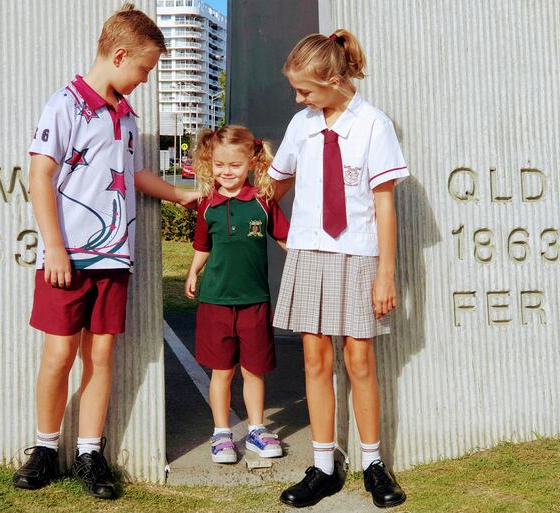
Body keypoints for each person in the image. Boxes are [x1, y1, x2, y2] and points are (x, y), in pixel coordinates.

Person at [12, 4, 197, 500]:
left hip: (114, 259)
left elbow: (133, 174)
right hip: (66, 258)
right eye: (144, 69)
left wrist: (180, 193)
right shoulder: (65, 104)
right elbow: (40, 175)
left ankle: (91, 452)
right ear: (119, 55)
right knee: (58, 356)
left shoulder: (127, 116)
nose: (145, 78)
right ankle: (45, 448)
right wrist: (54, 247)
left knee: (101, 354)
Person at [269, 30, 409, 509]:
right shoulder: (301, 125)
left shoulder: (374, 125)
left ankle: (372, 462)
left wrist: (385, 273)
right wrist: (260, 215)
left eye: (305, 89)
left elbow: (384, 204)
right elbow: (275, 182)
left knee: (360, 361)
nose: (298, 97)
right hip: (309, 254)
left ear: (333, 80)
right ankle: (324, 465)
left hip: (358, 254)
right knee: (314, 361)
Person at [185, 125, 289, 464]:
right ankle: (222, 435)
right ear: (209, 163)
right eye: (219, 165)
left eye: (234, 165)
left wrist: (307, 265)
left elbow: (287, 240)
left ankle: (257, 430)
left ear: (251, 164)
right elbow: (203, 245)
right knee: (221, 372)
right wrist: (192, 271)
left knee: (253, 370)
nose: (226, 172)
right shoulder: (207, 206)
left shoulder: (263, 202)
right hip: (215, 303)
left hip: (255, 302)